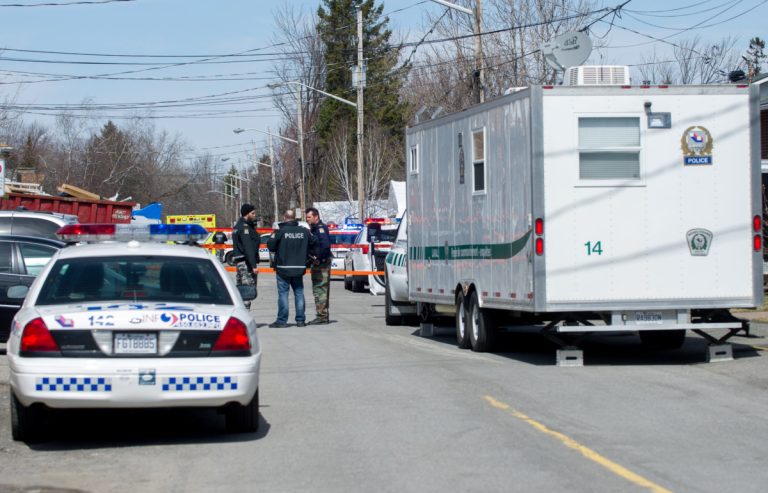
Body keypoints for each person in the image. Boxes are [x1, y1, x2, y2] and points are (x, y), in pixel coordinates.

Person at [267, 210, 316, 328]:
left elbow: (271, 247)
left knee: (283, 294)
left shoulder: (280, 231)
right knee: (299, 293)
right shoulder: (304, 231)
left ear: (284, 218)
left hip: (283, 268)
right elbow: (314, 242)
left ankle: (282, 321)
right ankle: (300, 320)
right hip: (299, 267)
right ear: (295, 218)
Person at [305, 207, 332, 325]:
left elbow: (325, 246)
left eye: (309, 217)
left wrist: (318, 259)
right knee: (319, 289)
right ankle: (322, 315)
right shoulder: (315, 228)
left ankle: (322, 316)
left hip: (321, 265)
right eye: (306, 217)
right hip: (319, 263)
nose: (307, 219)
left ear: (316, 217)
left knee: (320, 289)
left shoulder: (320, 229)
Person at [232, 204, 260, 309]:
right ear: (246, 214)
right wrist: (253, 265)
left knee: (241, 292)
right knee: (248, 292)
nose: (254, 215)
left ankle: (240, 316)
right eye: (252, 213)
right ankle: (244, 320)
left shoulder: (238, 226)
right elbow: (248, 247)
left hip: (240, 263)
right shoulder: (245, 228)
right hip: (246, 263)